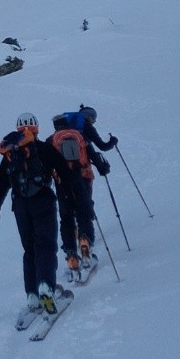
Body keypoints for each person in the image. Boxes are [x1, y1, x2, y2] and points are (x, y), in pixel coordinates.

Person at [0, 113, 76, 313]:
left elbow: (1, 183)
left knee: (30, 250)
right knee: (46, 246)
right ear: (36, 128)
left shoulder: (9, 152)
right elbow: (64, 170)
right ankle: (46, 286)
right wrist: (69, 194)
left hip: (20, 206)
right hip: (44, 202)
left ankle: (32, 295)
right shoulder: (43, 149)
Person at [51, 107, 118, 271]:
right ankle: (85, 240)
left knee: (66, 217)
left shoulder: (51, 140)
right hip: (84, 177)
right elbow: (95, 153)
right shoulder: (80, 136)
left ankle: (71, 255)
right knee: (84, 211)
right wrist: (103, 168)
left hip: (62, 182)